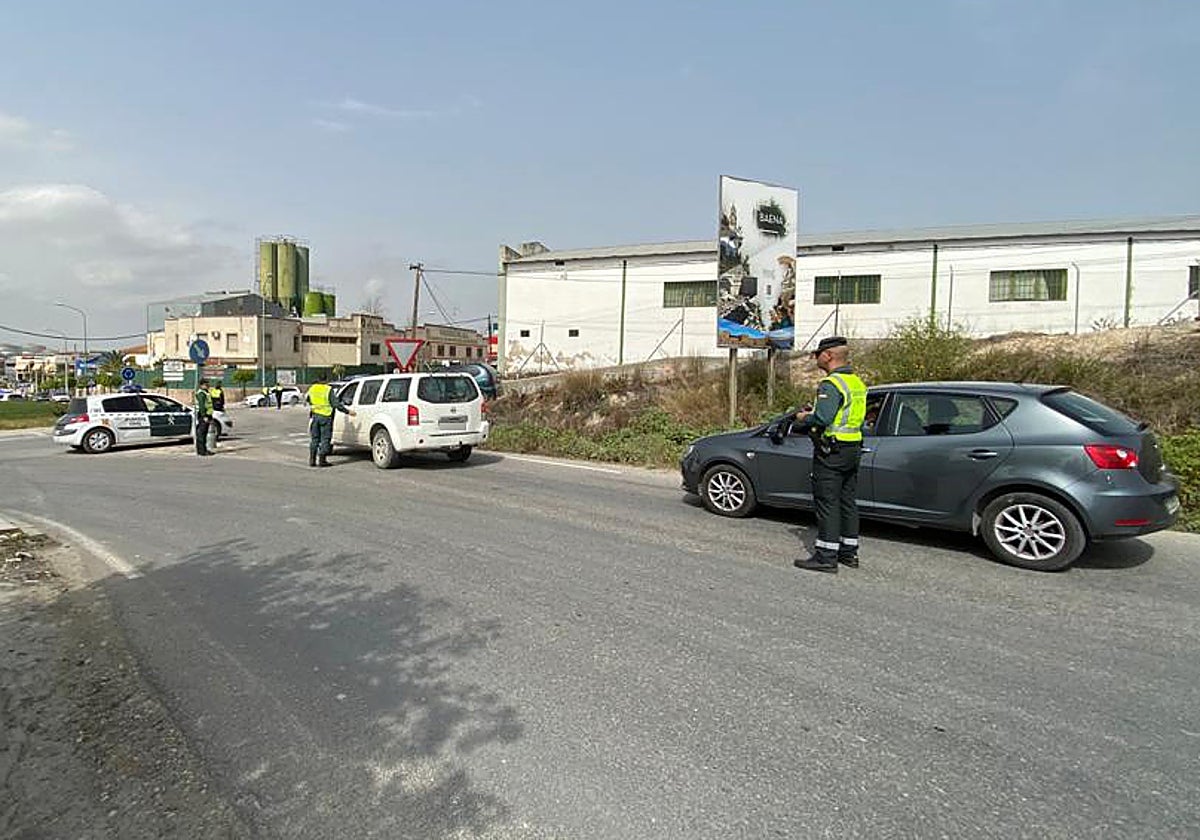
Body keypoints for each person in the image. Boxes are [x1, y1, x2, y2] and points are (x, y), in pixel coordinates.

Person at [792, 336, 868, 573]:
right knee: (847, 501)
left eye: (818, 354)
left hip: (832, 452)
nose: (816, 358)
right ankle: (849, 552)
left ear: (828, 355)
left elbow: (823, 418)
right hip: (853, 448)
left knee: (828, 503)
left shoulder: (831, 384)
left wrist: (804, 417)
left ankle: (826, 556)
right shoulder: (856, 382)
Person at [307, 375, 355, 467]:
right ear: (326, 380)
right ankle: (322, 460)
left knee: (315, 439)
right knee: (325, 439)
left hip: (315, 416)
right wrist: (348, 411)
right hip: (326, 416)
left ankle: (312, 460)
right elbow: (336, 404)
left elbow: (308, 400)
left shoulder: (312, 388)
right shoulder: (328, 389)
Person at [193, 378, 214, 457]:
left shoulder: (205, 392)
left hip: (207, 414)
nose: (208, 385)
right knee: (201, 433)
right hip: (203, 415)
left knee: (204, 433)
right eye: (206, 384)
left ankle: (204, 449)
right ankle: (202, 451)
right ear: (202, 385)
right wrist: (204, 416)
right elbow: (202, 406)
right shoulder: (201, 393)